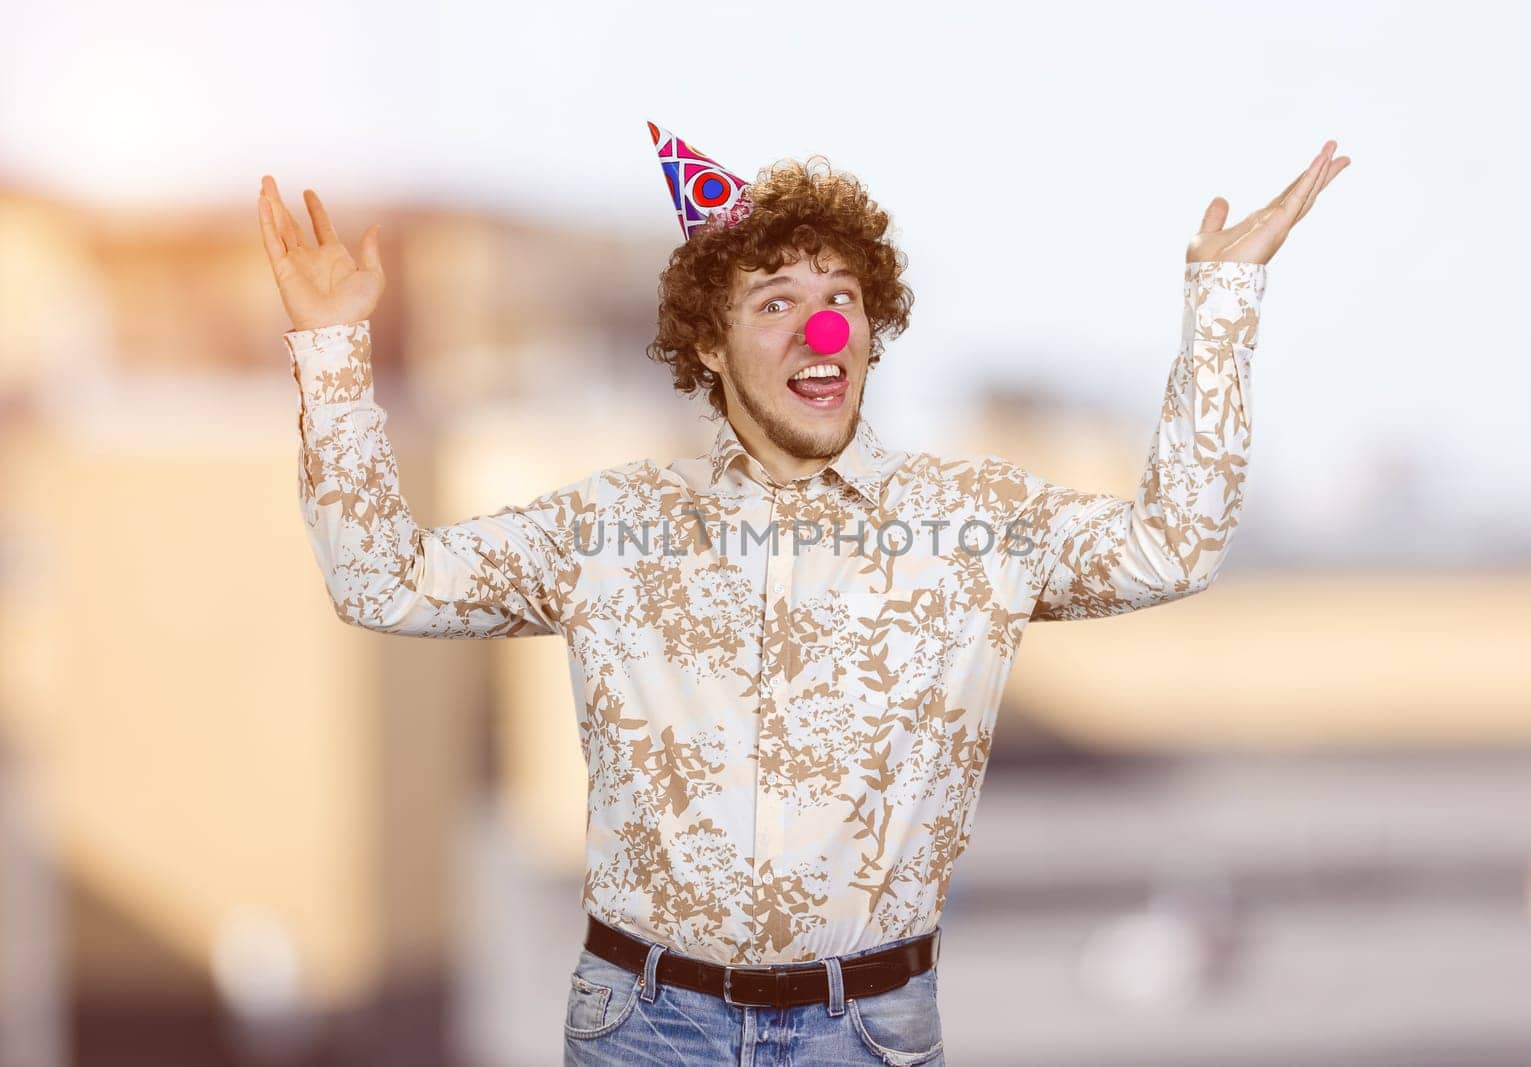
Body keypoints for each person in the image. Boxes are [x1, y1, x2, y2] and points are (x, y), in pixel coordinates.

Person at [257, 124, 1349, 1066]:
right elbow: (382, 579)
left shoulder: (970, 527)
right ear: (707, 342)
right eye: (775, 301)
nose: (820, 328)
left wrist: (1223, 301)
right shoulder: (608, 526)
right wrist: (330, 348)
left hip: (862, 1029)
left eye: (841, 300)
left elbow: (1171, 547)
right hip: (644, 1023)